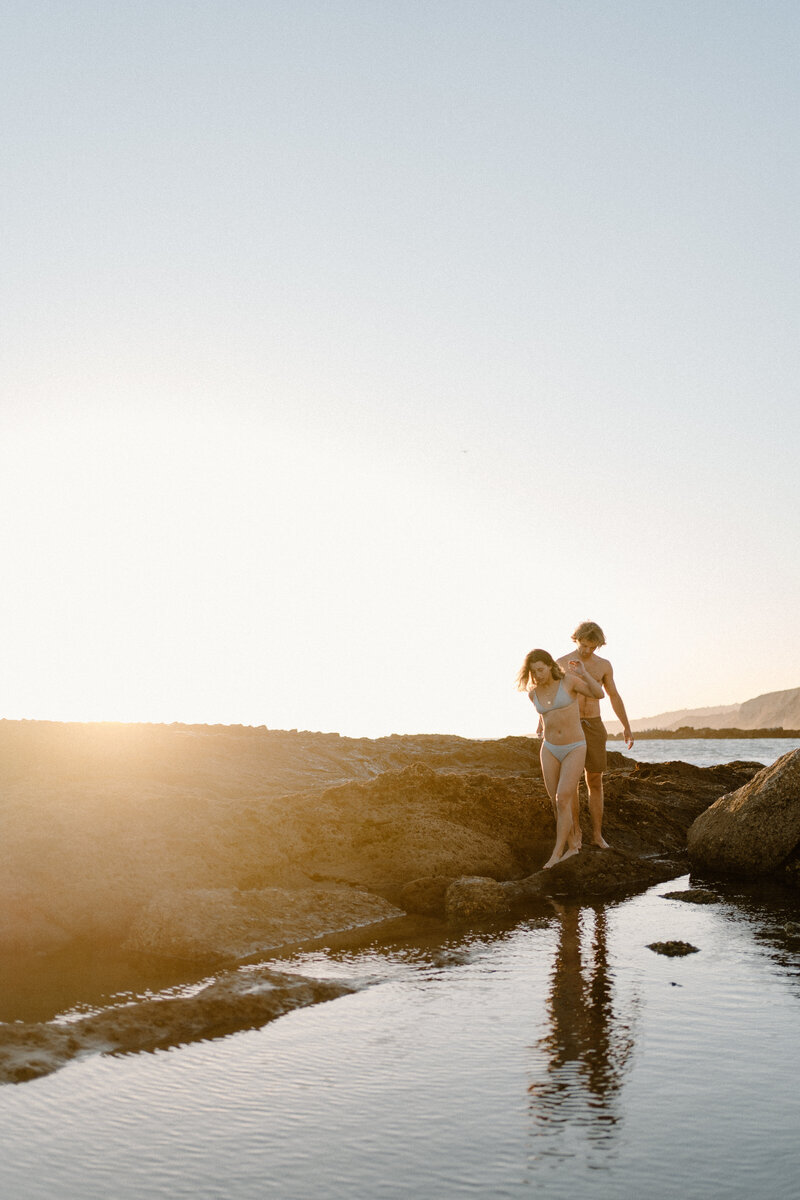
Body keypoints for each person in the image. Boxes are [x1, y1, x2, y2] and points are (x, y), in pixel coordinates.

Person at [517, 648, 604, 869]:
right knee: (556, 803)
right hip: (549, 749)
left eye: (541, 669)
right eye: (533, 672)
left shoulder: (569, 682)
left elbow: (598, 694)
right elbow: (545, 715)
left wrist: (584, 673)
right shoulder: (532, 693)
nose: (537, 675)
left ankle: (556, 855)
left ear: (550, 666)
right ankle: (573, 845)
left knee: (562, 798)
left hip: (574, 747)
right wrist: (541, 727)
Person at [553, 621, 634, 851]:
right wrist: (542, 725)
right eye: (584, 645)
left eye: (593, 647)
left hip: (595, 725)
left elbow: (614, 696)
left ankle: (597, 835)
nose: (587, 650)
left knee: (595, 779)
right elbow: (553, 697)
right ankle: (576, 833)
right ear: (575, 638)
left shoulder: (604, 666)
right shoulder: (560, 663)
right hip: (571, 725)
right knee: (573, 781)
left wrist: (626, 727)